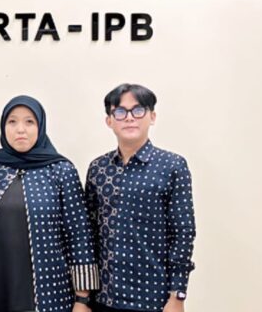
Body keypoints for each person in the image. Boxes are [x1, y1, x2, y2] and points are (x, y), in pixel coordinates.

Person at [0, 95, 99, 312]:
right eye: (12, 121)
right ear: (3, 127)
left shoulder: (61, 171)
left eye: (29, 122)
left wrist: (82, 299)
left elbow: (80, 236)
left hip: (50, 293)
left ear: (40, 126)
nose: (20, 129)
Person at [84, 83, 196, 312]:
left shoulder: (172, 166)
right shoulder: (98, 169)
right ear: (109, 121)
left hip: (152, 299)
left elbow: (183, 233)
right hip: (104, 299)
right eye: (120, 111)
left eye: (138, 110)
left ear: (152, 116)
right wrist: (84, 298)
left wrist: (177, 295)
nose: (129, 118)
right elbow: (89, 233)